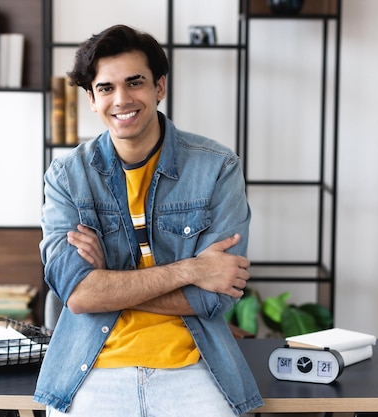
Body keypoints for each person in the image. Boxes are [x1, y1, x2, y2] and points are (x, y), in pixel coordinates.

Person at [33, 24, 262, 417]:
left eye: (135, 83)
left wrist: (110, 281)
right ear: (91, 98)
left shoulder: (217, 168)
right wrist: (191, 269)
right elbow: (79, 295)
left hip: (196, 368)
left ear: (159, 87)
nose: (122, 99)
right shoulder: (67, 176)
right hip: (92, 369)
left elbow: (215, 296)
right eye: (105, 88)